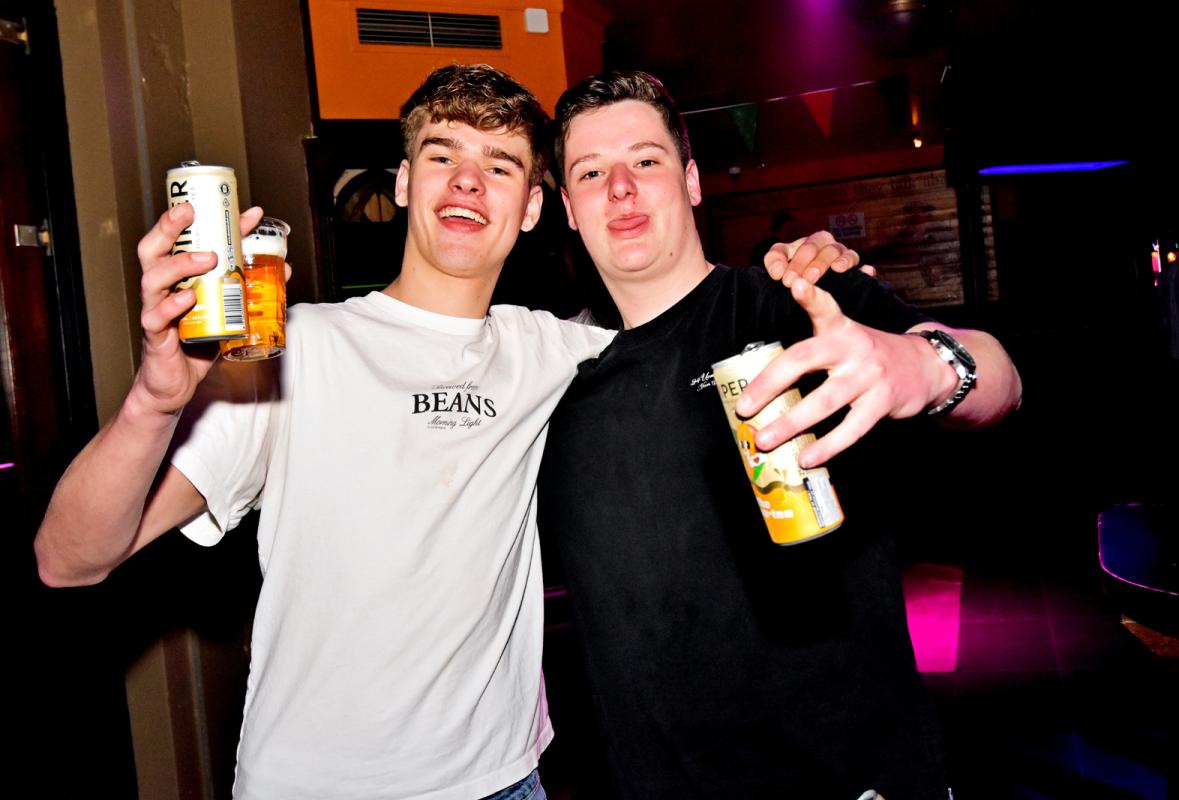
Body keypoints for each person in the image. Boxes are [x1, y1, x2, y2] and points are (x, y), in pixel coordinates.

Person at [33, 64, 856, 799]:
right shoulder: (293, 349)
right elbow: (70, 560)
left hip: (504, 781)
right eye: (442, 156)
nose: (467, 181)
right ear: (402, 182)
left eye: (499, 166)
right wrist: (153, 401)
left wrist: (804, 271)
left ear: (533, 209)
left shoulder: (555, 350)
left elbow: (686, 325)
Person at [538, 71, 1023, 798]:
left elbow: (1001, 381)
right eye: (590, 172)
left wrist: (924, 367)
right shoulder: (553, 378)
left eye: (645, 160)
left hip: (854, 781)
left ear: (692, 181)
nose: (621, 189)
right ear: (569, 211)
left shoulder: (795, 301)